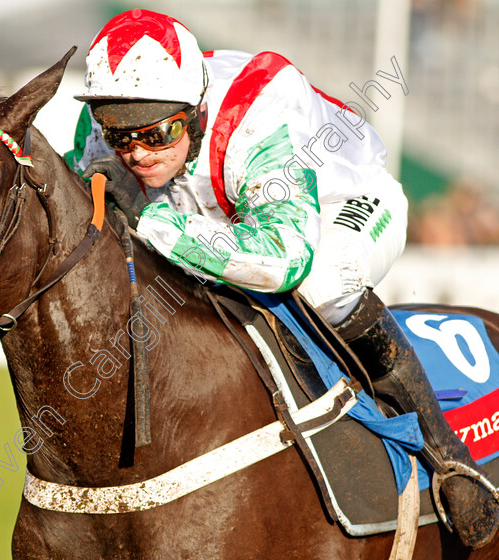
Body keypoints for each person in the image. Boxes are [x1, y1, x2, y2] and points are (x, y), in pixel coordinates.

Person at [65, 8, 499, 549]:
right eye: (120, 135)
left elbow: (284, 258)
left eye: (157, 133)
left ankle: (449, 455)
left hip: (343, 201)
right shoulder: (105, 127)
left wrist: (152, 219)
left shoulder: (259, 111)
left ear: (196, 111)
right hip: (225, 212)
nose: (136, 153)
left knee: (322, 286)